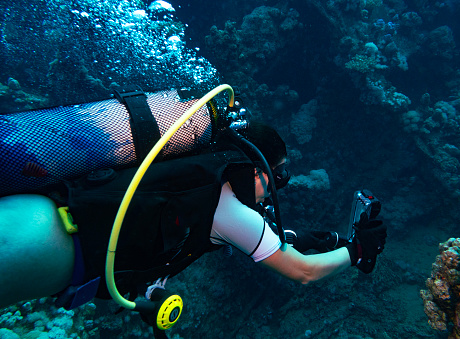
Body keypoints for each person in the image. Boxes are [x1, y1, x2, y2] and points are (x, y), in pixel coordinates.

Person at [0, 120, 387, 318]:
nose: (274, 191)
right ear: (256, 168)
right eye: (278, 177)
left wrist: (309, 237)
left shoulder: (194, 168)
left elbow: (254, 233)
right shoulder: (230, 208)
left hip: (41, 208)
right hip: (49, 250)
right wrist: (356, 250)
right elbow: (302, 272)